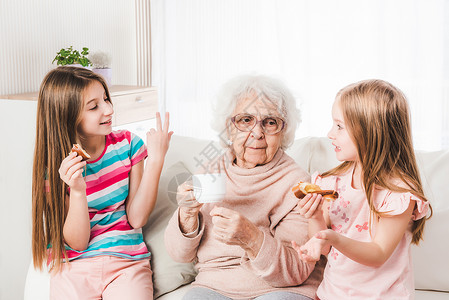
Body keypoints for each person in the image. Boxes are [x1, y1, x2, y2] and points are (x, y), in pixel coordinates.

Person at [164, 75, 325, 300]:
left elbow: (297, 270)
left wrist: (251, 237)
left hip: (280, 290)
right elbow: (179, 254)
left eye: (270, 122)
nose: (257, 133)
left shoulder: (297, 184)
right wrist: (187, 214)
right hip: (214, 286)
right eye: (246, 120)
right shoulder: (212, 169)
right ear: (229, 127)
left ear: (283, 131)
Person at [31, 66, 173, 299]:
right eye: (94, 106)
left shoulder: (129, 145)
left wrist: (156, 160)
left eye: (106, 99)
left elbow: (136, 218)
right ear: (68, 115)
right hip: (74, 267)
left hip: (126, 263)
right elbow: (78, 241)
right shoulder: (58, 168)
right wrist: (77, 190)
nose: (109, 110)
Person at [292, 79, 432, 299]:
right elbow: (325, 248)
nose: (330, 133)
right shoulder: (331, 182)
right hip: (331, 294)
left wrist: (333, 238)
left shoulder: (398, 193)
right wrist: (315, 217)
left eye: (339, 126)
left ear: (369, 131)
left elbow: (378, 254)